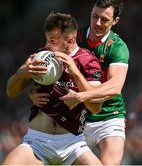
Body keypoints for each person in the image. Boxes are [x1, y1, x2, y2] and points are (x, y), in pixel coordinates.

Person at [3, 12, 103, 165]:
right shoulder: (42, 57)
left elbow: (96, 107)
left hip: (73, 144)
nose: (47, 45)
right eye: (47, 39)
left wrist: (75, 73)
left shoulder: (88, 61)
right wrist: (21, 73)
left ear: (70, 41)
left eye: (52, 40)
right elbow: (11, 91)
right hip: (37, 142)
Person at [59, 0, 129, 165]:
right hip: (77, 117)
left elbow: (114, 87)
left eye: (104, 20)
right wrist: (33, 91)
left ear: (115, 21)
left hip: (109, 116)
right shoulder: (74, 39)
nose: (97, 23)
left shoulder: (118, 48)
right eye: (95, 16)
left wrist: (81, 97)